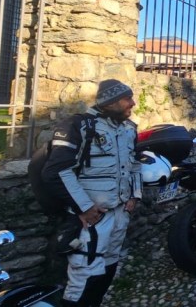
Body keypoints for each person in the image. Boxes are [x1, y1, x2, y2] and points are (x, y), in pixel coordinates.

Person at [46, 79, 140, 307]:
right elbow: (57, 171)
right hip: (92, 219)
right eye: (127, 99)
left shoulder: (129, 129)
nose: (133, 103)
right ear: (109, 102)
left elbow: (134, 164)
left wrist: (134, 195)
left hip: (120, 215)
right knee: (84, 274)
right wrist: (85, 207)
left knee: (109, 266)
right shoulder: (78, 126)